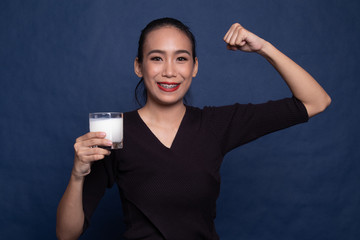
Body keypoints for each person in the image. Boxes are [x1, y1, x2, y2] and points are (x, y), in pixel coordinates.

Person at [56, 17, 331, 240]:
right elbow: (67, 234)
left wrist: (264, 48)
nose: (169, 71)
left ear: (195, 67)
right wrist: (77, 174)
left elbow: (316, 101)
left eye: (181, 58)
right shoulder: (114, 131)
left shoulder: (216, 125)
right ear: (139, 66)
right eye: (156, 58)